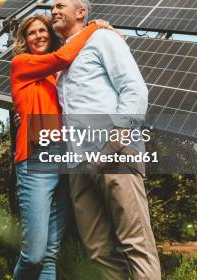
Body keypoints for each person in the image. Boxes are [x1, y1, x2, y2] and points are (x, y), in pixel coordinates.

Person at [51, 0, 161, 280]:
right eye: (52, 7)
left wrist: (116, 139)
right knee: (97, 250)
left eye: (60, 5)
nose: (53, 11)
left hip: (113, 152)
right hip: (78, 164)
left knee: (135, 242)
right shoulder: (60, 60)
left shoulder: (103, 38)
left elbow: (134, 89)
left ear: (81, 12)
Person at [10, 14, 116, 279]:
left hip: (63, 158)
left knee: (49, 255)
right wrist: (93, 27)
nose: (39, 36)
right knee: (33, 254)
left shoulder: (57, 77)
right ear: (24, 40)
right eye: (32, 33)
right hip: (35, 159)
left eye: (43, 30)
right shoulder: (22, 63)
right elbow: (62, 57)